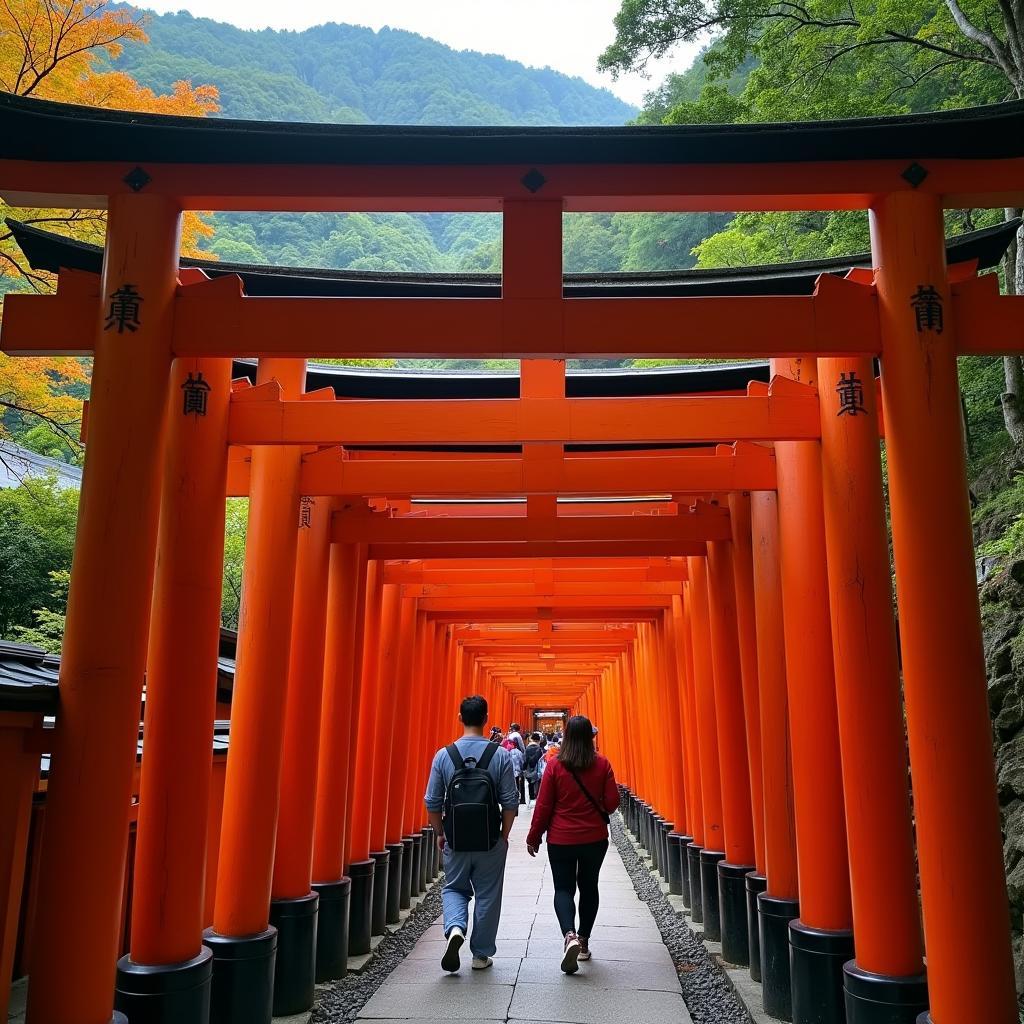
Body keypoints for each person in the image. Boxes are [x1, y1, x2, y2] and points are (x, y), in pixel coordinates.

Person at [425, 695, 519, 973]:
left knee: (454, 887)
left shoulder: (444, 755)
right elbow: (510, 802)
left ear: (459, 718)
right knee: (488, 894)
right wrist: (503, 835)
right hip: (489, 839)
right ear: (486, 719)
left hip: (456, 838)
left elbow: (432, 802)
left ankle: (455, 927)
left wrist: (441, 833)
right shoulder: (499, 754)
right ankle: (480, 954)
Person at [526, 714, 620, 975]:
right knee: (589, 886)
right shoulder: (602, 764)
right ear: (591, 737)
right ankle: (585, 940)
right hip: (593, 838)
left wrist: (534, 836)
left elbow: (543, 805)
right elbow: (612, 803)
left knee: (563, 889)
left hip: (561, 838)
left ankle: (569, 936)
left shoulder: (555, 765)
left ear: (565, 737)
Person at [501, 736, 526, 803]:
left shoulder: (508, 752)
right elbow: (522, 762)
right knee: (519, 787)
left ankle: (514, 800)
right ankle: (521, 800)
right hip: (517, 772)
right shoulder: (519, 752)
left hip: (512, 773)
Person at [523, 733, 544, 807]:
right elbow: (541, 761)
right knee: (537, 783)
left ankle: (531, 798)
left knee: (530, 784)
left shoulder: (527, 748)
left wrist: (524, 769)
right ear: (538, 740)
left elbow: (524, 760)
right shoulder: (539, 749)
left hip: (529, 769)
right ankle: (537, 798)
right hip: (537, 769)